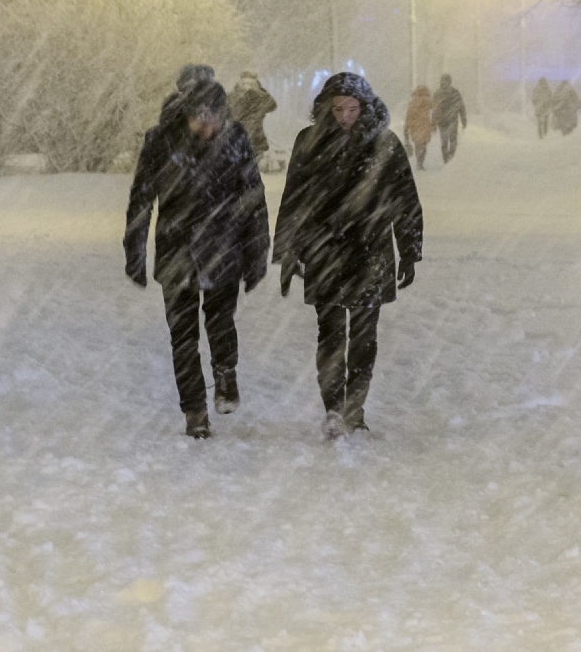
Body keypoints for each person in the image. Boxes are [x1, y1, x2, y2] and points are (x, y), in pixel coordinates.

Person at [273, 72, 423, 439]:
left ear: (365, 107)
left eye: (352, 108)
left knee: (364, 337)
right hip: (322, 252)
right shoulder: (308, 142)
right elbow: (293, 198)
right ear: (325, 108)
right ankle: (333, 411)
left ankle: (355, 410)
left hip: (370, 252)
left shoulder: (385, 144)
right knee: (330, 335)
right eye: (337, 108)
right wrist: (288, 253)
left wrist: (409, 251)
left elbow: (405, 200)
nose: (344, 116)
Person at [124, 79, 269, 439]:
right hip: (177, 252)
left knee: (221, 325)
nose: (207, 126)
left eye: (214, 117)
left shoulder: (235, 140)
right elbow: (141, 200)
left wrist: (256, 254)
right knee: (183, 339)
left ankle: (225, 374)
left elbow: (253, 199)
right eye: (199, 117)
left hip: (223, 249)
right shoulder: (161, 143)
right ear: (186, 114)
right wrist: (135, 252)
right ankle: (195, 412)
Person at [228, 70, 278, 155]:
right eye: (245, 84)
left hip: (255, 142)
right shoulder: (232, 96)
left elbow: (272, 105)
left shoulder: (260, 98)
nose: (248, 87)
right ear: (240, 83)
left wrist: (260, 90)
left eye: (251, 84)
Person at [432, 73, 467, 165]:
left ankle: (446, 160)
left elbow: (434, 109)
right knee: (452, 140)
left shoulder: (437, 93)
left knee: (444, 142)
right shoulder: (455, 92)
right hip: (452, 120)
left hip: (442, 121)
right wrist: (463, 120)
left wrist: (433, 123)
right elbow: (461, 106)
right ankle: (450, 158)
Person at [404, 85, 435, 169]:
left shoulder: (413, 103)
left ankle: (419, 161)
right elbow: (434, 113)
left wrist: (407, 127)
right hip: (425, 126)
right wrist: (433, 124)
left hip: (415, 126)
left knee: (418, 144)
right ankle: (421, 162)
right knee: (423, 145)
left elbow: (409, 116)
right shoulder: (429, 102)